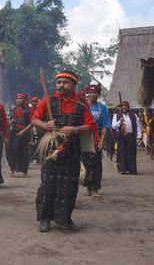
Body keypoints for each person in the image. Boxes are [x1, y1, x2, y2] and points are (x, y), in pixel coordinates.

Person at [32, 70, 96, 232]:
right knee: (48, 184)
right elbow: (34, 119)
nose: (61, 85)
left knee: (68, 185)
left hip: (72, 151)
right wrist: (45, 125)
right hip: (51, 149)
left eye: (65, 82)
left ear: (74, 85)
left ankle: (64, 219)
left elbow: (91, 127)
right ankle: (44, 218)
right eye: (59, 82)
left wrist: (74, 129)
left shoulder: (81, 105)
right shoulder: (48, 101)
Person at [81, 83, 111, 197]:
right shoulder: (82, 107)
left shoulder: (102, 108)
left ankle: (95, 189)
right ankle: (87, 188)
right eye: (90, 93)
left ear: (98, 94)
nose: (92, 95)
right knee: (85, 162)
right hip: (84, 137)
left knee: (96, 163)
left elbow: (105, 126)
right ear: (87, 94)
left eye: (95, 93)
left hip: (96, 137)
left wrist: (102, 140)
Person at [112, 101, 141, 174]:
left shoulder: (134, 115)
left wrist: (139, 135)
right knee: (122, 152)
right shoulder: (116, 116)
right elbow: (113, 126)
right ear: (120, 107)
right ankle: (122, 169)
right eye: (122, 106)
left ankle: (132, 169)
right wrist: (120, 122)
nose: (124, 107)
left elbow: (138, 126)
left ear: (128, 107)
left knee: (131, 152)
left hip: (131, 136)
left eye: (125, 106)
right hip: (121, 137)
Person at [7, 93, 33, 176]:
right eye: (17, 98)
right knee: (12, 150)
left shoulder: (29, 110)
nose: (18, 100)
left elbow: (32, 122)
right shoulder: (14, 109)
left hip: (24, 133)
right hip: (14, 133)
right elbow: (11, 121)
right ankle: (12, 168)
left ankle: (24, 170)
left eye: (20, 98)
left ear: (25, 100)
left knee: (24, 151)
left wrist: (23, 131)